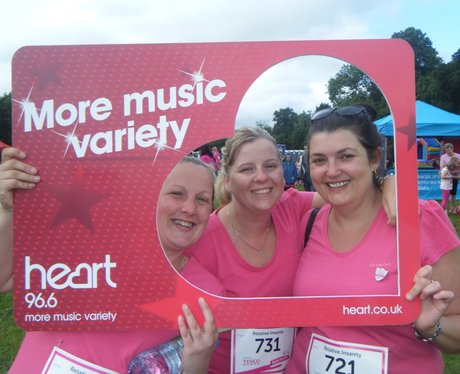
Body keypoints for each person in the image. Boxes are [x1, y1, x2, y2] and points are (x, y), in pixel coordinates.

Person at [187, 126, 397, 373]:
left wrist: (388, 182)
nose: (261, 177)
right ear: (228, 180)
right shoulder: (202, 241)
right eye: (247, 169)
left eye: (270, 166)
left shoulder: (291, 206)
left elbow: (349, 193)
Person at [0, 149, 224, 373]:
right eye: (176, 194)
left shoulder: (206, 292)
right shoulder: (83, 240)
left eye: (202, 199)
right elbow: (4, 279)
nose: (189, 208)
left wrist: (198, 363)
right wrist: (7, 210)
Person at [286, 105, 460, 373]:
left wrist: (431, 326)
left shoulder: (419, 218)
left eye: (345, 156)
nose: (331, 171)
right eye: (319, 160)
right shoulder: (308, 221)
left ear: (375, 158)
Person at [440, 143, 460, 214]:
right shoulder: (443, 157)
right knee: (446, 194)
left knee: (453, 193)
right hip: (447, 176)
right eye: (446, 151)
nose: (448, 152)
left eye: (449, 150)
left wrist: (456, 173)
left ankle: (452, 208)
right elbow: (442, 167)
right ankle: (443, 209)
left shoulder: (458, 156)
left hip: (455, 176)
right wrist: (448, 170)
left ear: (452, 149)